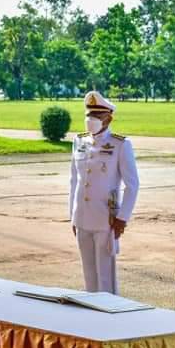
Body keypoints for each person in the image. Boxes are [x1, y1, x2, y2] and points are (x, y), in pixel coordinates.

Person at [69, 91, 139, 294]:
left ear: (108, 118)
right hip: (82, 217)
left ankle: (109, 312)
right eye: (89, 114)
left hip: (105, 220)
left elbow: (132, 185)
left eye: (97, 115)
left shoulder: (120, 144)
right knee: (89, 274)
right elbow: (74, 180)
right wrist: (72, 215)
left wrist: (122, 218)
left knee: (105, 277)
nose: (91, 119)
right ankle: (91, 311)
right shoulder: (79, 141)